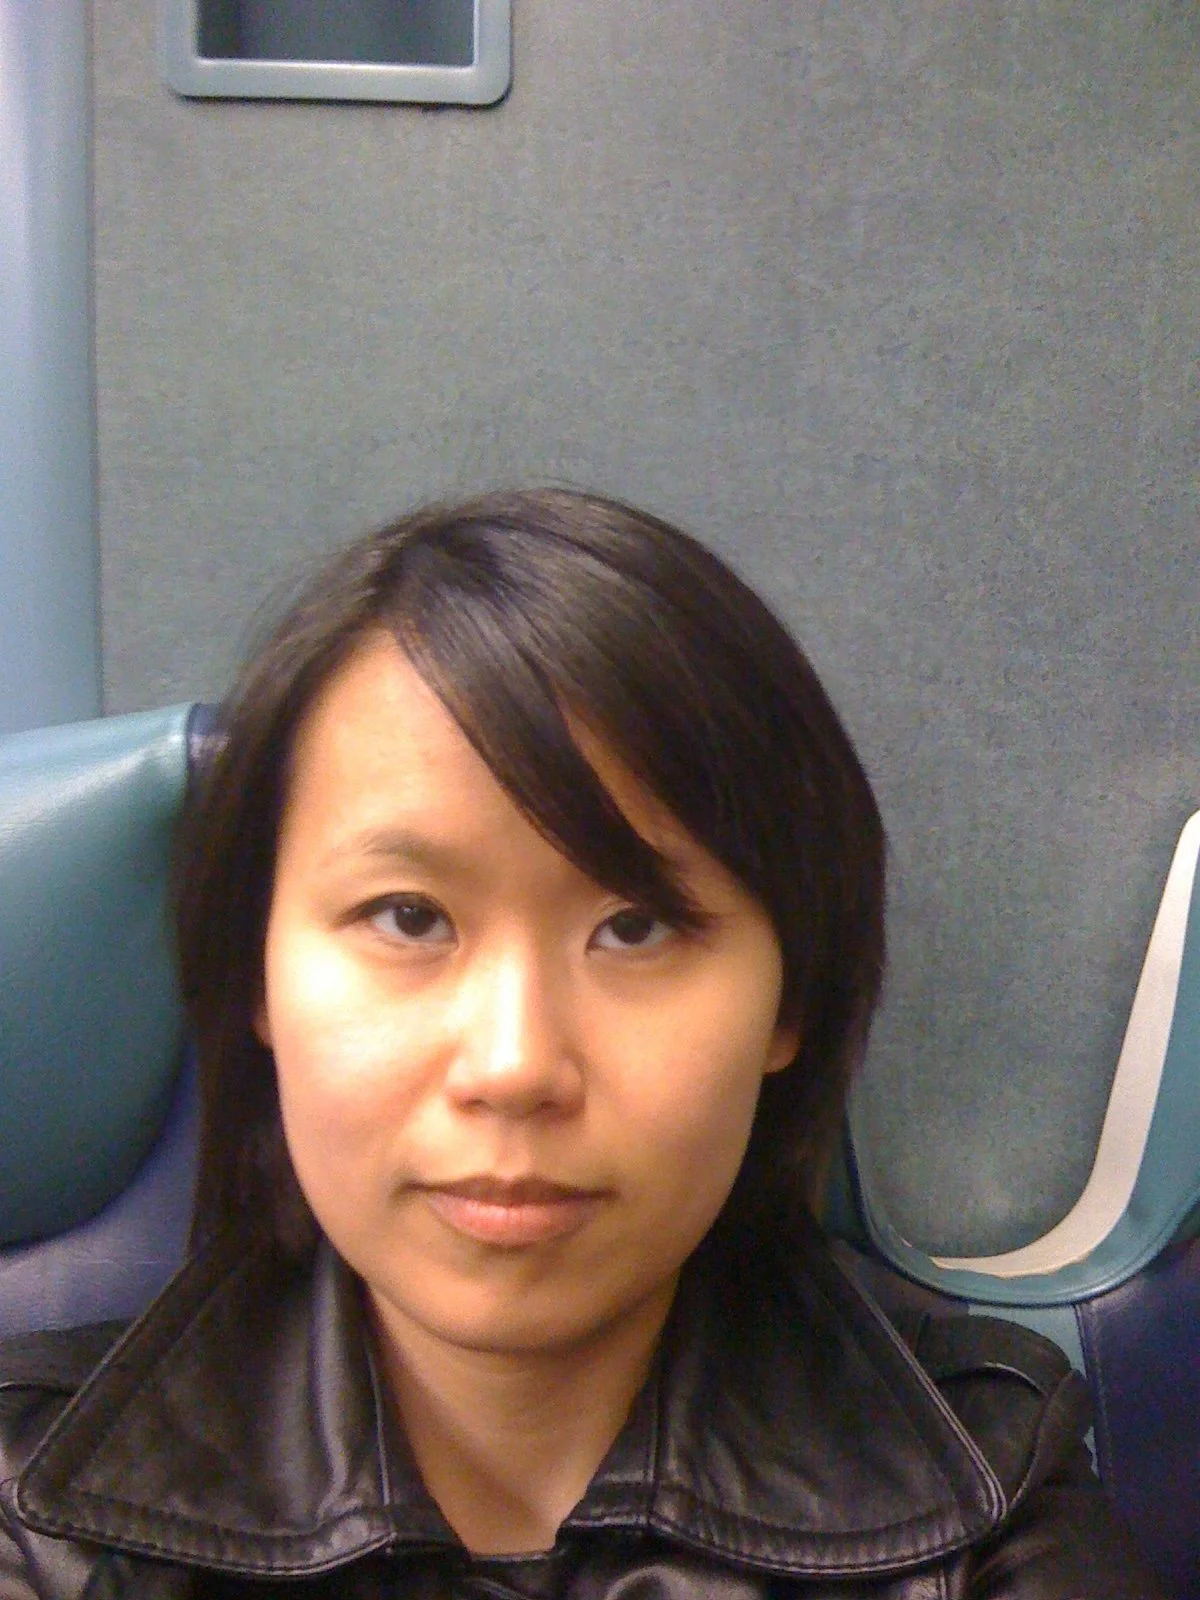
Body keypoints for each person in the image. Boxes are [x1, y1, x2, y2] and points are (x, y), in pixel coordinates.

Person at [0, 490, 1163, 1597]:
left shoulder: (983, 1508)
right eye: (408, 917)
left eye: (635, 926)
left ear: (789, 1002)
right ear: (254, 970)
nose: (513, 1065)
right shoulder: (36, 1523)